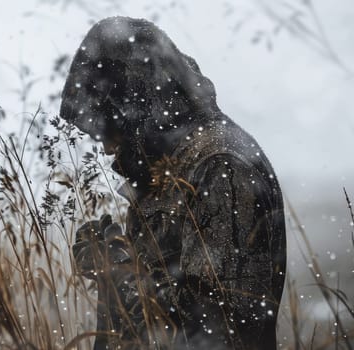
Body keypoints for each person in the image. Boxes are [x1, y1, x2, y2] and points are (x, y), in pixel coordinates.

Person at [61, 17, 286, 349]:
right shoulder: (173, 162)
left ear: (134, 106)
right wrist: (112, 262)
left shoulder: (219, 164)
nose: (107, 148)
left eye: (108, 129)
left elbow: (222, 327)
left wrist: (122, 274)